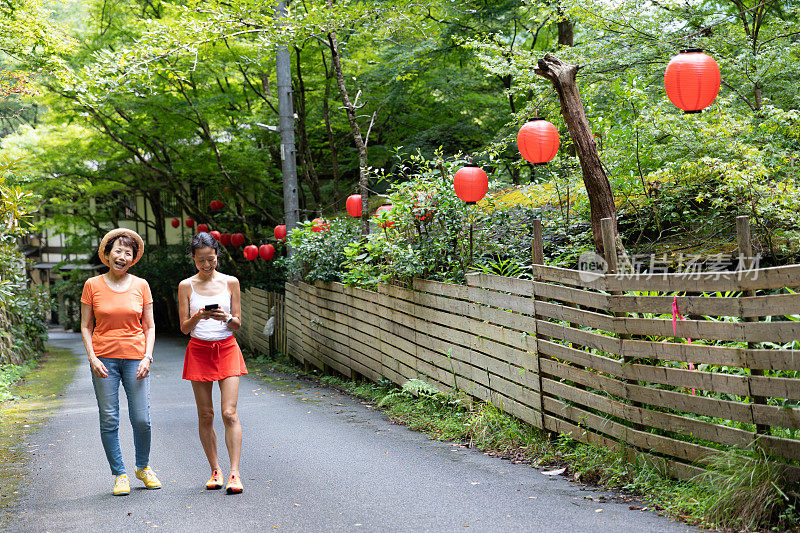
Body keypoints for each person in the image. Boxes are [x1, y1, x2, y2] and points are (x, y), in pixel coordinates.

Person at [80, 228, 161, 496]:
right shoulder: (92, 285)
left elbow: (149, 326)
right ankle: (120, 474)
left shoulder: (141, 285)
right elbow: (85, 326)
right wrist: (92, 357)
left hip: (136, 359)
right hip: (104, 359)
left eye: (128, 252)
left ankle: (143, 467)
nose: (122, 256)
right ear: (107, 254)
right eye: (118, 251)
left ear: (133, 258)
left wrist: (148, 356)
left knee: (142, 419)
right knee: (109, 418)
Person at [178, 232, 246, 494]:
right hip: (198, 350)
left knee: (229, 413)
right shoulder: (186, 286)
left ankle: (234, 473)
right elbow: (184, 328)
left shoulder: (231, 282)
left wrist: (226, 317)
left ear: (217, 255)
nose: (207, 266)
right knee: (206, 414)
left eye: (211, 259)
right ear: (193, 259)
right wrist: (197, 316)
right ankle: (215, 470)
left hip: (227, 348)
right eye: (201, 261)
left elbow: (238, 323)